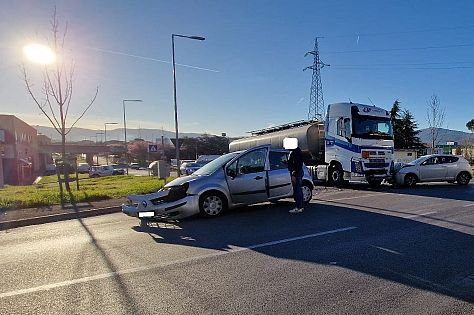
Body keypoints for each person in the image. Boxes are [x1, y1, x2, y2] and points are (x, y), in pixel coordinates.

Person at [286, 139, 304, 213]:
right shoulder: (296, 151)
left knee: (297, 189)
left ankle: (299, 207)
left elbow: (297, 165)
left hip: (296, 173)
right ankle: (300, 206)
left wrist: (293, 174)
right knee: (298, 189)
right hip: (297, 172)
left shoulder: (295, 152)